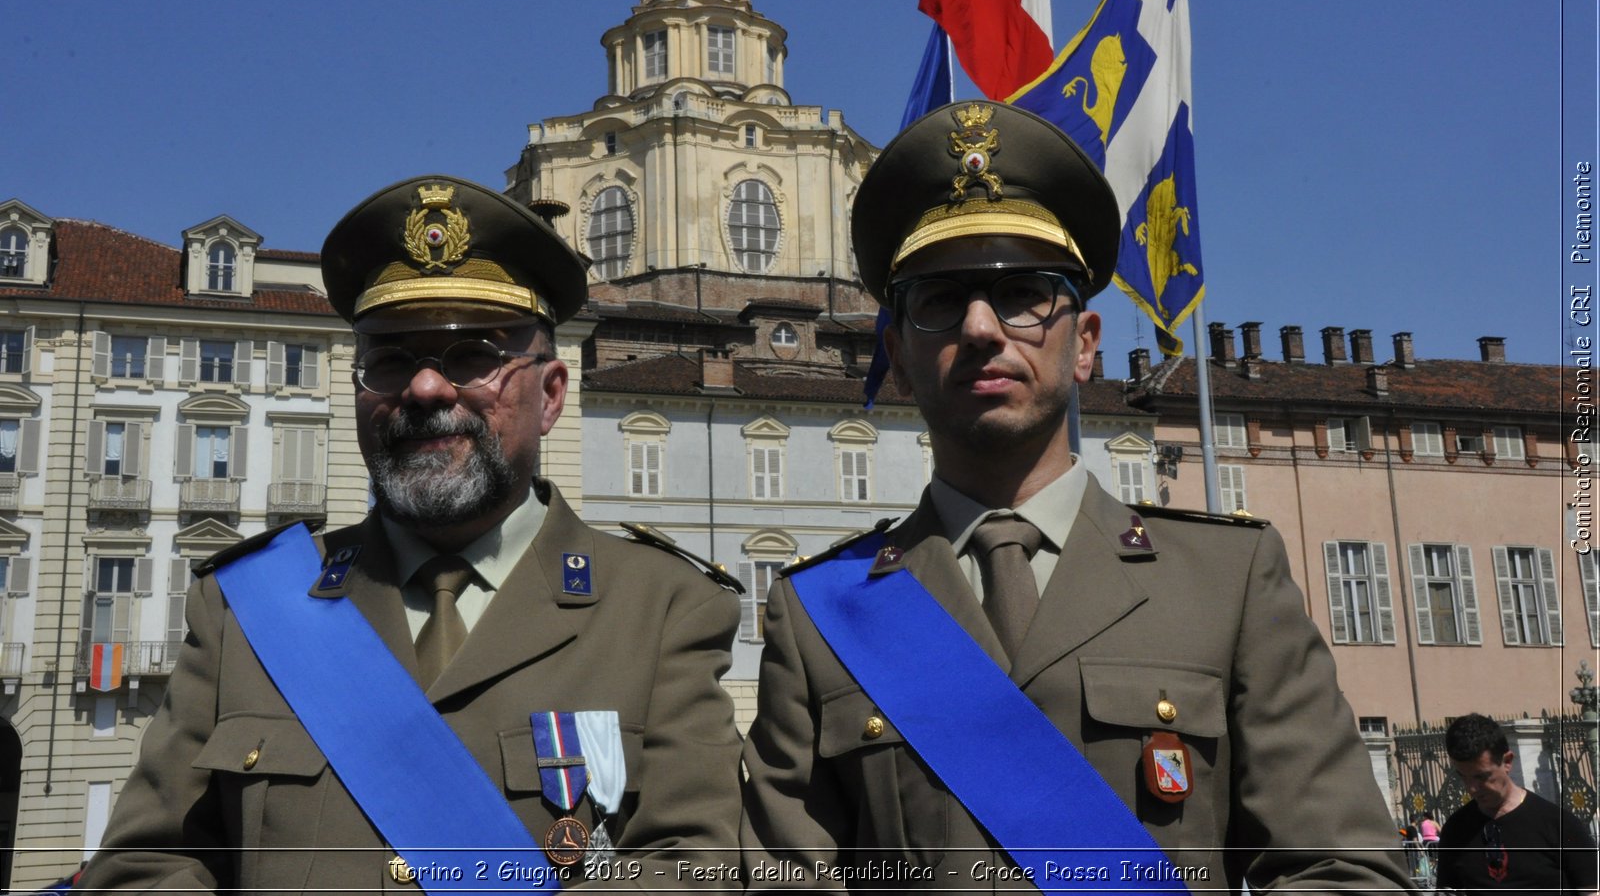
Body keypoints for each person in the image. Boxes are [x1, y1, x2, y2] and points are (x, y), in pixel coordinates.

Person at [740, 101, 1413, 891]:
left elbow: (1343, 870)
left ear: (1085, 343)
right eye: (939, 299)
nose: (984, 327)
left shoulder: (1228, 581)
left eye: (1024, 293)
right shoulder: (823, 613)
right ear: (896, 351)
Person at [78, 175, 743, 892]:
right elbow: (145, 867)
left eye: (472, 356)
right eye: (391, 358)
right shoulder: (245, 610)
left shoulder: (663, 608)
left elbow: (693, 869)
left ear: (550, 394)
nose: (425, 389)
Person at [1436, 713, 1598, 896]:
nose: (1472, 788)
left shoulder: (1560, 825)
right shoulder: (1456, 830)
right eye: (1463, 777)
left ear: (1507, 761)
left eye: (1482, 777)